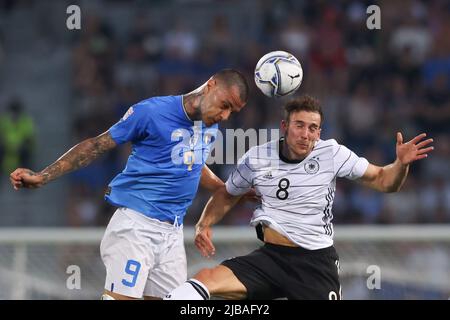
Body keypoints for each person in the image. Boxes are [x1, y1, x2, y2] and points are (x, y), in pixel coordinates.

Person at [9, 69, 249, 300]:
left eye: (232, 112)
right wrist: (43, 176)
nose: (225, 116)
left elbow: (192, 163)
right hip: (136, 228)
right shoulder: (152, 111)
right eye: (226, 105)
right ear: (211, 85)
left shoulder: (209, 126)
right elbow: (96, 145)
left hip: (172, 235)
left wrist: (224, 188)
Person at [165, 95, 434, 300]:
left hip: (315, 264)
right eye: (299, 126)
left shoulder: (332, 154)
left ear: (320, 132)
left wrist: (401, 164)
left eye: (313, 128)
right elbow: (227, 193)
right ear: (284, 126)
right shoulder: (258, 158)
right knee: (205, 279)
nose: (306, 134)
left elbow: (385, 181)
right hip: (269, 259)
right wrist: (204, 223)